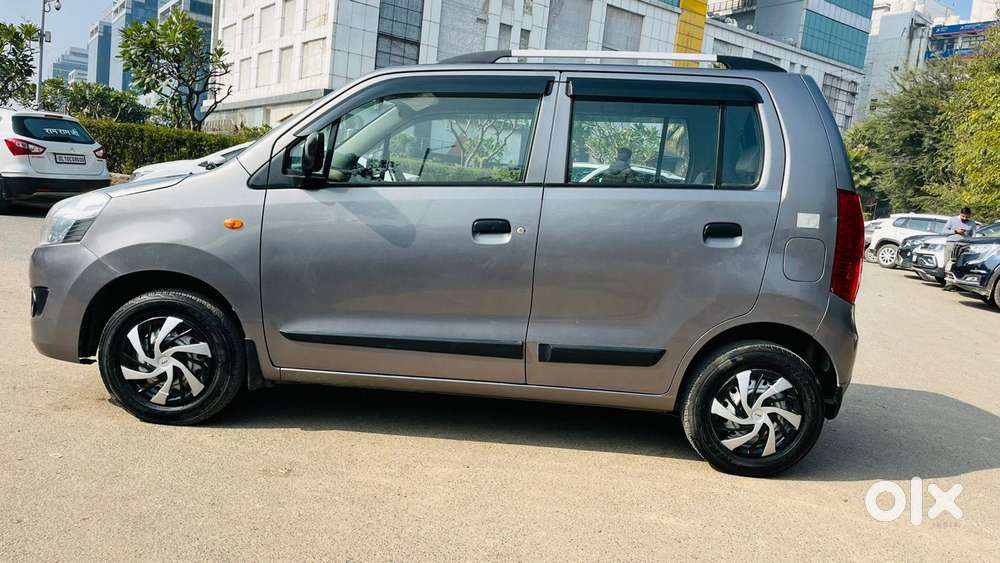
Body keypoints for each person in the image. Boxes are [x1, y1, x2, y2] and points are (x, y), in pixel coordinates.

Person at [942, 207, 976, 290]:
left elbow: (973, 236)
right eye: (963, 216)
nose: (965, 218)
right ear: (960, 214)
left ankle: (958, 284)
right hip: (951, 243)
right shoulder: (952, 219)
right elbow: (944, 231)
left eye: (967, 217)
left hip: (963, 245)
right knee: (948, 263)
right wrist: (956, 231)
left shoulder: (972, 223)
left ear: (970, 215)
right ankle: (948, 284)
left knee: (959, 264)